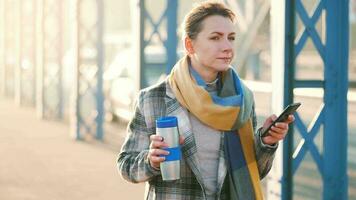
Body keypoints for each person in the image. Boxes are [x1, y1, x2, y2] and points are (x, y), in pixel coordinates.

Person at [117, 1, 294, 199]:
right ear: (189, 44)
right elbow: (126, 165)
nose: (227, 47)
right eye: (215, 38)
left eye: (231, 38)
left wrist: (266, 142)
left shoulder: (241, 99)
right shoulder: (153, 98)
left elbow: (252, 173)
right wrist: (151, 161)